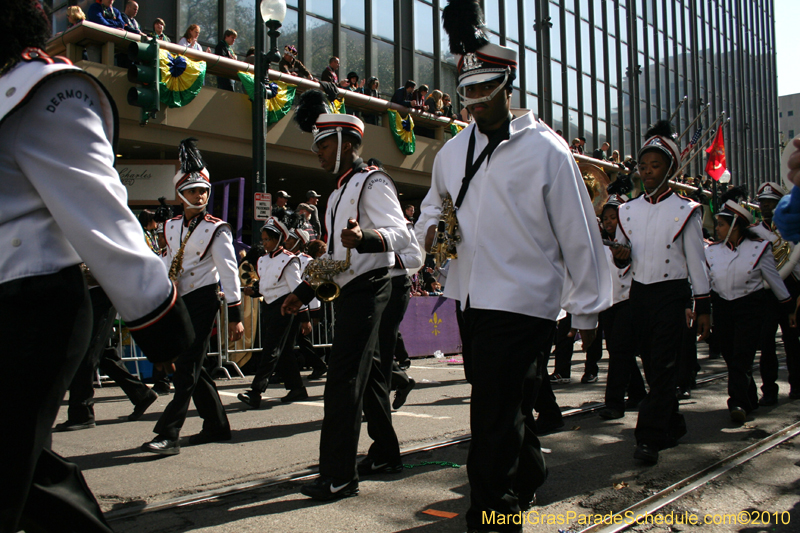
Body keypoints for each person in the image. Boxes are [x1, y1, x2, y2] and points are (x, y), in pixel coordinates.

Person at [1, 4, 194, 530]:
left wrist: (162, 323)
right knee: (28, 471)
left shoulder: (42, 89)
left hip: (30, 306)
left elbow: (104, 220)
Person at [416, 9, 612, 528]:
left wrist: (588, 311)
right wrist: (431, 234)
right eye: (468, 93)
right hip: (470, 298)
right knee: (501, 401)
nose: (476, 103)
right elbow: (431, 209)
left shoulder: (548, 151)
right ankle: (528, 471)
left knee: (493, 413)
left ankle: (493, 511)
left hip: (525, 302)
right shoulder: (452, 152)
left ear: (508, 84)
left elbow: (579, 234)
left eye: (486, 90)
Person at [284, 91, 411, 500]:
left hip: (375, 287)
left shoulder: (372, 180)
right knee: (368, 375)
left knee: (343, 379)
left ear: (344, 143)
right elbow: (337, 258)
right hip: (353, 288)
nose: (317, 153)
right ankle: (385, 453)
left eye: (322, 145)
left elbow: (406, 239)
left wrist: (367, 237)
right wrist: (301, 291)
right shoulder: (337, 195)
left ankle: (338, 475)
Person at [611, 120, 711, 464]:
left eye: (655, 166)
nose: (648, 172)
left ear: (670, 169)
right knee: (653, 369)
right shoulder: (627, 210)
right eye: (643, 166)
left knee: (665, 368)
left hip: (672, 296)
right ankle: (673, 424)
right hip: (639, 295)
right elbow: (623, 255)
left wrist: (704, 306)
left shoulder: (687, 210)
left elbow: (697, 263)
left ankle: (647, 440)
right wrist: (620, 255)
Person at [142, 138, 244, 456]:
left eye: (203, 191)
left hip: (203, 299)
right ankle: (216, 425)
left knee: (186, 365)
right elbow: (166, 259)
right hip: (179, 299)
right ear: (181, 194)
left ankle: (169, 433)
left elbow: (229, 272)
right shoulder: (171, 225)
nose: (199, 196)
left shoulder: (218, 229)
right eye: (192, 191)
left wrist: (236, 314)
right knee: (192, 367)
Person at [706, 200, 794, 423]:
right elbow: (706, 282)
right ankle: (749, 395)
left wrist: (789, 308)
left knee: (741, 357)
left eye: (722, 224)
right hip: (723, 309)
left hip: (750, 309)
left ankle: (737, 402)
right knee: (730, 355)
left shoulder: (759, 248)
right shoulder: (712, 251)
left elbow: (775, 281)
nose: (717, 229)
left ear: (735, 225)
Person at [238, 218, 309, 408]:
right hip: (268, 307)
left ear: (279, 239)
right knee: (283, 351)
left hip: (285, 308)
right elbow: (265, 286)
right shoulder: (262, 259)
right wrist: (252, 291)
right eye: (263, 239)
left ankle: (255, 392)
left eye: (268, 239)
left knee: (271, 350)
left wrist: (305, 318)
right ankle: (297, 388)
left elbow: (298, 289)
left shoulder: (289, 259)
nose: (265, 243)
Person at [596, 196, 647, 420]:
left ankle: (614, 403)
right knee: (618, 350)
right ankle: (638, 393)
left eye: (613, 217)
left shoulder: (636, 240)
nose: (609, 222)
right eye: (605, 218)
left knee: (619, 351)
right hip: (609, 303)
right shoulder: (600, 243)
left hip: (629, 300)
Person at [752, 181, 800, 404]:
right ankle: (769, 390)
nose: (766, 207)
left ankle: (797, 386)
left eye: (771, 203)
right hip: (765, 295)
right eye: (763, 203)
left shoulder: (792, 228)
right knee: (766, 344)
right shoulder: (754, 232)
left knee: (793, 343)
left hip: (791, 288)